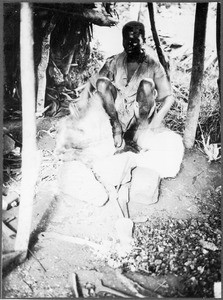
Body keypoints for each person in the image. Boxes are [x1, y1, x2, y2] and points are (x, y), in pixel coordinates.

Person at [82, 21, 174, 149]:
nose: (129, 44)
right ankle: (116, 127)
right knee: (102, 83)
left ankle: (136, 132)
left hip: (140, 112)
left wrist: (158, 119)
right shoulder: (115, 60)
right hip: (117, 111)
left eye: (134, 40)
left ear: (144, 40)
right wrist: (82, 102)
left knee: (147, 85)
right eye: (126, 40)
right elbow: (93, 82)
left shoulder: (153, 65)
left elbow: (169, 97)